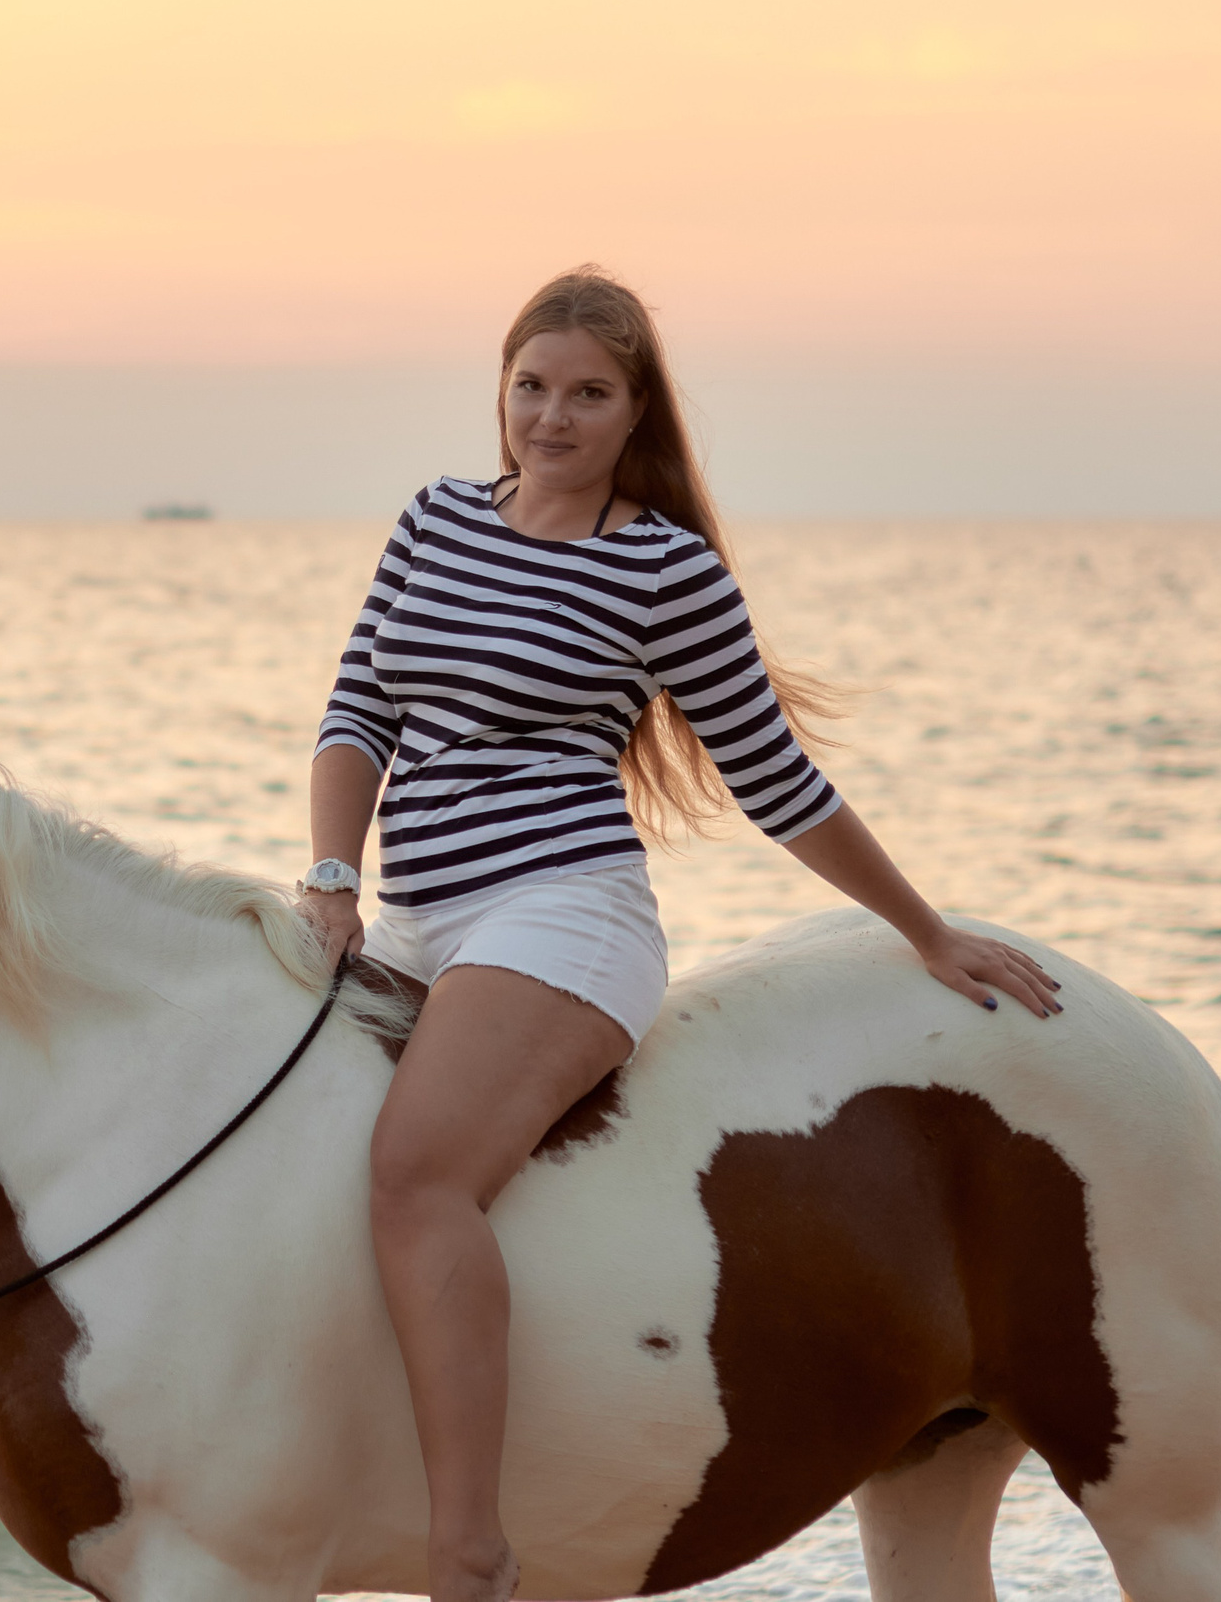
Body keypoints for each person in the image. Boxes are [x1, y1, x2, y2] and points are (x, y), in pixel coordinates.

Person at [298, 267, 1062, 1602]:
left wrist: (926, 931)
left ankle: (469, 1549)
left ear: (634, 409)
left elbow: (775, 779)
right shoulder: (432, 520)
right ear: (502, 388)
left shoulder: (663, 566)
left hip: (561, 918)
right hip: (412, 918)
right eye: (531, 386)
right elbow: (359, 707)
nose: (552, 416)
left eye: (588, 393)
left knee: (417, 1176)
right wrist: (326, 879)